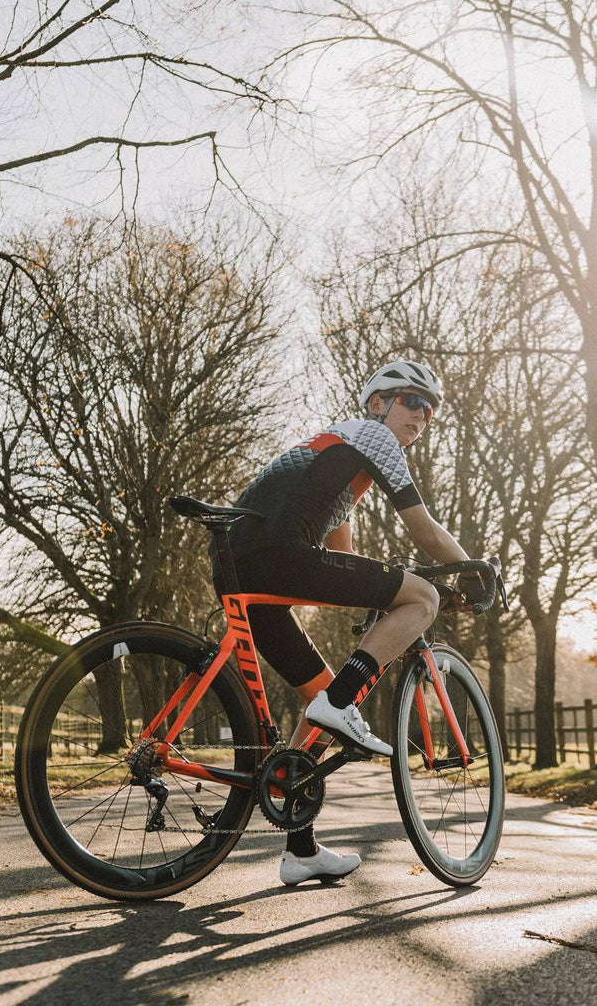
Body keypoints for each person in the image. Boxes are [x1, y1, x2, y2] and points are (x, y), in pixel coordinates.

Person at [210, 360, 472, 886]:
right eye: (411, 401)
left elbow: (341, 554)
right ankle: (338, 705)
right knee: (421, 598)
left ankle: (300, 850)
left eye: (431, 408)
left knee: (325, 698)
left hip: (242, 562)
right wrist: (473, 573)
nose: (422, 415)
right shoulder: (375, 439)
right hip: (274, 555)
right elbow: (424, 531)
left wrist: (376, 592)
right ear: (378, 404)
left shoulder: (339, 462)